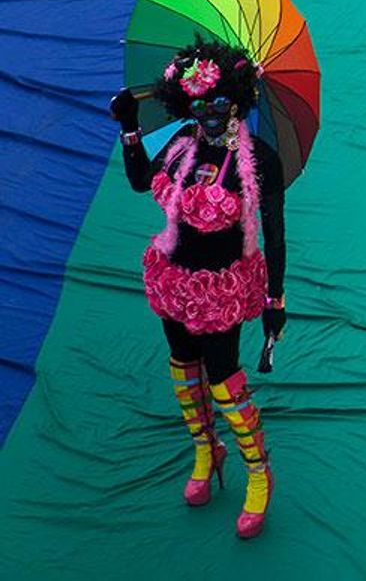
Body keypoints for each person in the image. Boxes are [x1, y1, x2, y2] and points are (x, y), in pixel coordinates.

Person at [109, 38, 286, 540]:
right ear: (187, 100)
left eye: (220, 101)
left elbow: (275, 235)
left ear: (240, 100)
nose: (209, 111)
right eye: (201, 102)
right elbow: (141, 180)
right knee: (184, 365)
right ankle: (208, 450)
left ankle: (259, 473)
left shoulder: (259, 159)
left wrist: (275, 300)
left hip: (222, 288)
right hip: (175, 278)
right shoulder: (182, 143)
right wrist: (129, 127)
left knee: (223, 377)